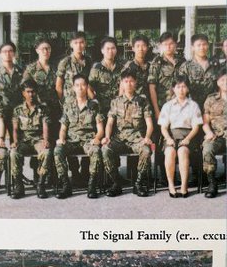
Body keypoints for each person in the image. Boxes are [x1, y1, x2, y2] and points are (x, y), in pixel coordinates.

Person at [103, 69, 156, 197]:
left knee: (146, 150)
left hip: (137, 138)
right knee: (105, 150)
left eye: (131, 81)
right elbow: (110, 123)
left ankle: (138, 184)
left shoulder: (142, 101)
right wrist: (107, 137)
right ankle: (116, 183)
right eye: (126, 81)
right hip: (119, 138)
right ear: (121, 83)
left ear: (136, 82)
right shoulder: (116, 102)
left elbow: (149, 124)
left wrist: (147, 137)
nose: (129, 84)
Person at [55, 75, 105, 198]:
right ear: (73, 88)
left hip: (88, 140)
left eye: (83, 85)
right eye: (77, 85)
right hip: (72, 140)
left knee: (96, 150)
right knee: (58, 150)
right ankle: (66, 186)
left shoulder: (94, 106)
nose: (80, 88)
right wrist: (61, 138)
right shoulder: (68, 106)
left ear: (87, 87)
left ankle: (91, 186)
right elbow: (63, 127)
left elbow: (100, 129)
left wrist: (97, 138)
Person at [158, 76, 204, 197]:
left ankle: (184, 186)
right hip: (171, 135)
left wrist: (187, 139)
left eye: (183, 86)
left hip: (189, 136)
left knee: (183, 151)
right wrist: (168, 138)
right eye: (178, 87)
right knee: (169, 152)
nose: (181, 89)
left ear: (187, 88)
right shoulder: (167, 106)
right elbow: (163, 127)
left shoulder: (193, 105)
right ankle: (171, 185)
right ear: (173, 89)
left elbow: (196, 127)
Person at [10, 80, 52, 199]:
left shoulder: (43, 108)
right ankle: (19, 186)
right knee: (14, 153)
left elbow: (45, 125)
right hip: (24, 140)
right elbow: (15, 128)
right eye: (28, 92)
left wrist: (45, 140)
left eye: (33, 92)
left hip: (38, 139)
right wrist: (15, 141)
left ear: (36, 92)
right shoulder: (18, 110)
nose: (31, 94)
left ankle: (40, 184)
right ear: (23, 93)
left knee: (47, 152)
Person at [0, 40, 23, 137]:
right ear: (0, 54)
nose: (8, 53)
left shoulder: (22, 72)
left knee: (17, 144)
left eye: (10, 51)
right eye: (5, 51)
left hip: (17, 112)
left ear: (14, 53)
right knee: (0, 144)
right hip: (1, 112)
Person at [148, 32, 183, 122]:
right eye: (165, 44)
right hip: (163, 106)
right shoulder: (156, 63)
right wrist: (156, 110)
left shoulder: (182, 61)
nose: (168, 47)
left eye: (171, 44)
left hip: (180, 105)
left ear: (175, 44)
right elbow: (152, 87)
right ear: (160, 46)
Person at [202, 71, 226, 198]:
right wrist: (209, 132)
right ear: (218, 82)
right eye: (222, 80)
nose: (225, 82)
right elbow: (205, 122)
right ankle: (212, 183)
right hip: (217, 135)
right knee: (207, 148)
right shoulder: (211, 99)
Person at [21, 38, 58, 119]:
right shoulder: (31, 69)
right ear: (37, 50)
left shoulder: (56, 68)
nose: (45, 51)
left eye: (48, 48)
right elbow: (24, 88)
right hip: (38, 109)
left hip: (55, 107)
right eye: (43, 49)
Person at [181, 33, 218, 107]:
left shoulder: (215, 65)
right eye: (198, 45)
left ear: (208, 46)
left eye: (204, 44)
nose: (202, 47)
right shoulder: (186, 66)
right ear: (192, 47)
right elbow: (181, 88)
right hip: (192, 107)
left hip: (213, 106)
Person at [55, 30, 90, 103]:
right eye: (76, 43)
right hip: (70, 102)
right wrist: (62, 102)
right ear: (71, 44)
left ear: (85, 43)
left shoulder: (88, 61)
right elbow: (58, 86)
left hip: (85, 101)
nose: (79, 45)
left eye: (81, 42)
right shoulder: (65, 62)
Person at [87, 36, 122, 107]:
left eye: (113, 48)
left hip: (119, 108)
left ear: (116, 50)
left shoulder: (122, 67)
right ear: (102, 50)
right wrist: (95, 101)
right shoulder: (96, 68)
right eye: (107, 49)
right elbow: (89, 88)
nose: (110, 51)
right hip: (102, 108)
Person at [125, 34, 153, 104]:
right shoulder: (127, 67)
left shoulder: (152, 66)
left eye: (143, 46)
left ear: (147, 48)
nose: (141, 49)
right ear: (133, 48)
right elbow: (123, 89)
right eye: (138, 46)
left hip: (149, 104)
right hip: (134, 106)